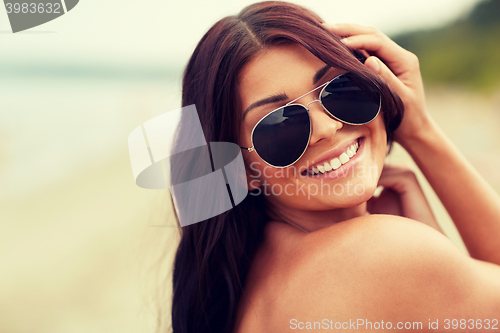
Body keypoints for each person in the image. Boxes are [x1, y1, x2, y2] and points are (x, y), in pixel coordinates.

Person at [169, 1, 500, 332]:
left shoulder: (251, 275)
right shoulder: (381, 255)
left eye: (341, 89)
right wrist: (422, 133)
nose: (326, 129)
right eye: (279, 124)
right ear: (240, 170)